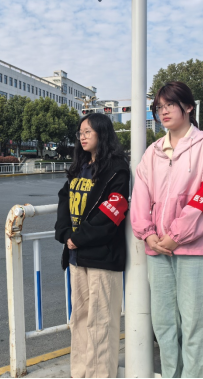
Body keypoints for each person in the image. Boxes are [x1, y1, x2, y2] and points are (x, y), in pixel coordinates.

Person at [131, 82, 203, 378]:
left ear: (188, 107)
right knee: (164, 325)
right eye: (159, 107)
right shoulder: (152, 152)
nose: (163, 111)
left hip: (196, 251)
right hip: (158, 250)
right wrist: (148, 234)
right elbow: (140, 197)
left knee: (195, 326)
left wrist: (175, 237)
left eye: (170, 104)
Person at [55, 113, 130, 379]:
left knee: (102, 323)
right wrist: (65, 234)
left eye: (88, 131)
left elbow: (112, 212)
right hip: (77, 255)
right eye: (80, 132)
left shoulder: (117, 169)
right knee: (79, 320)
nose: (83, 136)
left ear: (102, 133)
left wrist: (78, 238)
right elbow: (65, 198)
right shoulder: (81, 165)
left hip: (102, 256)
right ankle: (80, 373)